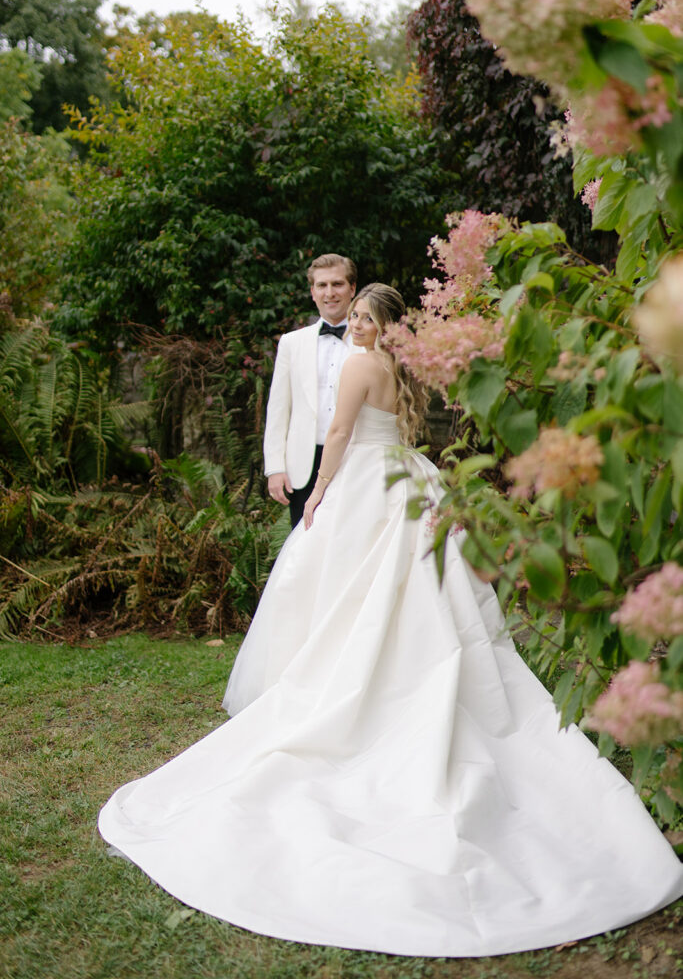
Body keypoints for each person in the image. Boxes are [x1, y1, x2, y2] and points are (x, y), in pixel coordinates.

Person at [99, 284, 683, 958]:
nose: (352, 323)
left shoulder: (355, 365)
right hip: (409, 480)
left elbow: (340, 433)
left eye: (363, 318)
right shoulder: (402, 372)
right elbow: (398, 431)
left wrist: (316, 495)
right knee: (413, 596)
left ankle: (349, 685)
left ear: (376, 326)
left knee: (342, 590)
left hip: (365, 488)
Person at [264, 252, 357, 527]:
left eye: (338, 284)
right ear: (312, 292)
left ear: (352, 289)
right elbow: (279, 408)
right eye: (322, 286)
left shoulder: (372, 344)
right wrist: (275, 468)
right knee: (304, 544)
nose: (330, 293)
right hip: (302, 465)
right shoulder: (292, 343)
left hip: (353, 460)